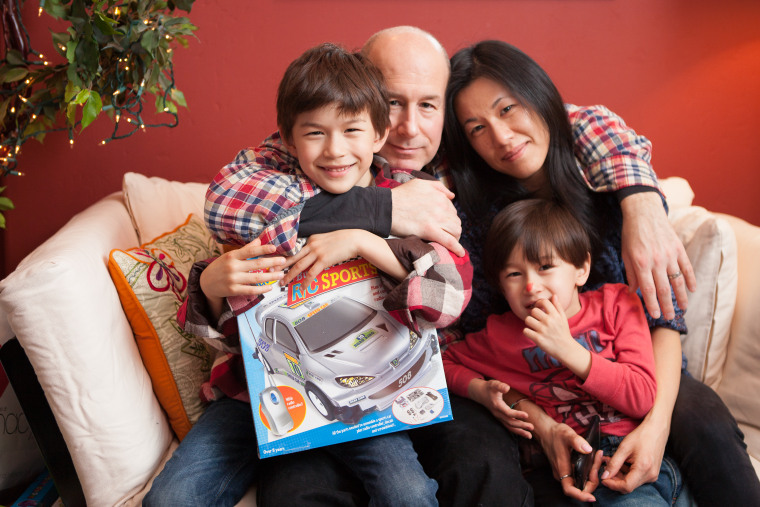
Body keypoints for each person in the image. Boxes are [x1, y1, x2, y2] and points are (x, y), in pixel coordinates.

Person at [174, 26, 701, 506]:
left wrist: (640, 200)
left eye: (427, 105)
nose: (406, 128)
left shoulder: (455, 165)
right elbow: (229, 206)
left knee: (457, 473)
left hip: (418, 383)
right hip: (305, 386)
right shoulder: (309, 159)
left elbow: (573, 123)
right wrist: (380, 212)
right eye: (390, 103)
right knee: (300, 487)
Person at [145, 42, 475, 506]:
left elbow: (447, 302)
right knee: (170, 500)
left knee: (410, 493)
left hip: (371, 404)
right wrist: (210, 286)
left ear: (379, 134)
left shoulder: (412, 197)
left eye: (353, 130)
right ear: (288, 137)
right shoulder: (275, 197)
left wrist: (365, 243)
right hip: (256, 398)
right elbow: (232, 326)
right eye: (315, 133)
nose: (335, 150)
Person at [442, 39, 760, 506]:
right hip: (533, 388)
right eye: (477, 128)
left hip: (638, 368)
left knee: (704, 419)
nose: (502, 136)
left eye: (508, 109)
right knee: (475, 453)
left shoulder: (610, 184)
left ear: (538, 96)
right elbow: (477, 350)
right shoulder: (473, 216)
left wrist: (657, 425)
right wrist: (539, 418)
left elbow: (663, 317)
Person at [443, 198, 689, 505]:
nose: (531, 286)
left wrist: (567, 348)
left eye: (545, 267)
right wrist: (481, 391)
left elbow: (641, 398)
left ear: (581, 269)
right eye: (514, 275)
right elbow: (444, 360)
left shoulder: (617, 303)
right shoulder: (499, 335)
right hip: (562, 467)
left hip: (626, 458)